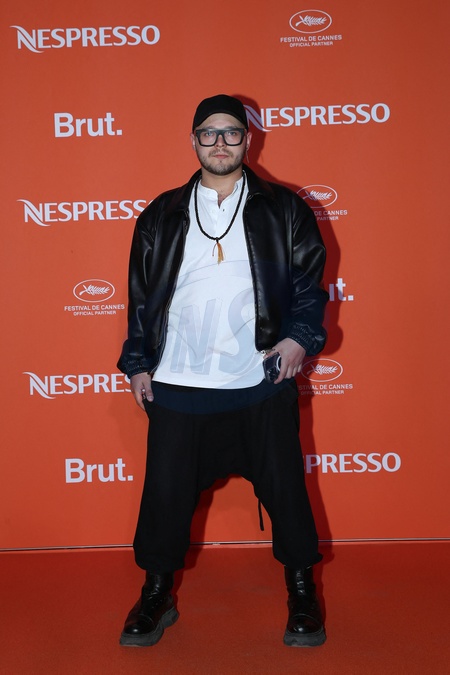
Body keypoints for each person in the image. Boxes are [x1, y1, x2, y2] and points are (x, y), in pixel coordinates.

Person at [117, 94, 329, 648]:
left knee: (287, 494)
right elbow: (141, 297)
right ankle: (156, 594)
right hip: (178, 382)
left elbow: (309, 288)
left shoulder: (285, 209)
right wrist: (138, 362)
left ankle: (302, 592)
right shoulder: (162, 213)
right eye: (208, 133)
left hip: (258, 381)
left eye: (231, 132)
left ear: (248, 140)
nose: (219, 143)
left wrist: (298, 340)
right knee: (164, 499)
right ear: (193, 140)